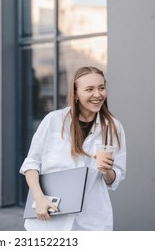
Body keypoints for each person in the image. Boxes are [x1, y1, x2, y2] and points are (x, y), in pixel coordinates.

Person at [19, 66, 126, 231]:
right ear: (75, 94)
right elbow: (31, 163)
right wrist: (39, 198)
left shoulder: (113, 127)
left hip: (91, 223)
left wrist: (106, 170)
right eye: (89, 89)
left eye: (101, 88)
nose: (97, 94)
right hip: (49, 219)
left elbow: (114, 179)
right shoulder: (53, 120)